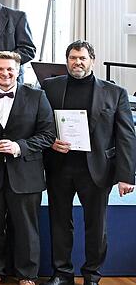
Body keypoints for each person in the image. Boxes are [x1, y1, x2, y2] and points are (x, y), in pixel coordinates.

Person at [42, 41, 136, 285]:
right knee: (60, 223)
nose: (77, 62)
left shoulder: (115, 93)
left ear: (92, 59)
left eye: (82, 58)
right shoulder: (50, 87)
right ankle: (62, 273)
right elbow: (40, 123)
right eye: (73, 58)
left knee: (96, 226)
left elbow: (126, 136)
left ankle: (92, 274)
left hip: (96, 170)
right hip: (59, 166)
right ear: (67, 60)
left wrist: (127, 175)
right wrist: (51, 141)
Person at [0, 51, 55, 285]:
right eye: (0, 69)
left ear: (18, 70)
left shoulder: (37, 96)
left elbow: (48, 135)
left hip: (26, 173)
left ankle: (27, 274)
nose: (5, 73)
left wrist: (19, 146)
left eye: (10, 69)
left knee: (27, 228)